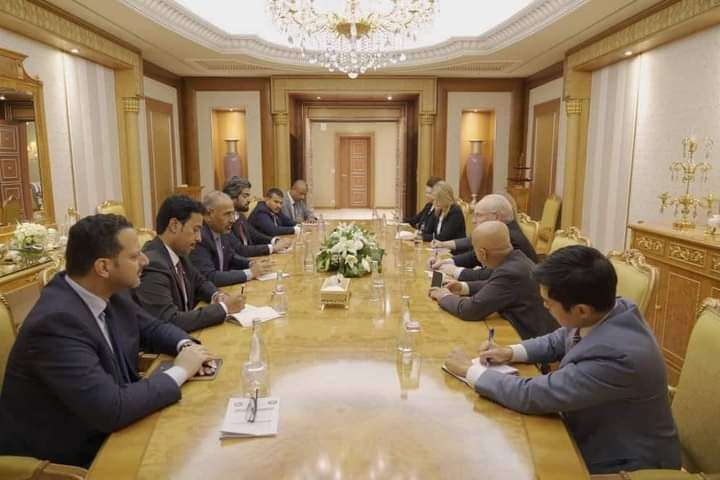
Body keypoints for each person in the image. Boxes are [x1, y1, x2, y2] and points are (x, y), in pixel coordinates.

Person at [0, 214, 218, 467]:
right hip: (72, 457)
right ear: (103, 267)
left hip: (112, 426)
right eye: (134, 256)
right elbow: (111, 409)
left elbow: (153, 328)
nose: (145, 260)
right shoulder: (55, 323)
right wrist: (181, 370)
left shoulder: (108, 292)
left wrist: (187, 347)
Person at [444, 245, 681, 475]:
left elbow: (532, 395)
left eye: (548, 303)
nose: (544, 306)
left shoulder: (617, 357)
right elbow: (559, 339)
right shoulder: (612, 308)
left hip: (622, 462)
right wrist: (510, 352)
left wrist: (470, 371)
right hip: (591, 426)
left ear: (581, 310)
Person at [133, 195, 245, 332]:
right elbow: (170, 320)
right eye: (195, 230)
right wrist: (224, 308)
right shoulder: (153, 264)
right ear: (174, 225)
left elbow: (200, 282)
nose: (199, 238)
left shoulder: (179, 254)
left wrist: (217, 296)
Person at [429, 221, 557, 339]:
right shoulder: (516, 258)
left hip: (527, 338)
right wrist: (462, 287)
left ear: (482, 253)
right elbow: (496, 285)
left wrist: (444, 296)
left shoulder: (509, 272)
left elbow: (470, 310)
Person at [431, 194, 537, 281]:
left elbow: (492, 275)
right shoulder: (502, 231)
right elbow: (475, 256)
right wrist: (449, 261)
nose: (473, 221)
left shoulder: (509, 237)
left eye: (479, 215)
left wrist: (455, 271)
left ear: (496, 217)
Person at [190, 191, 272, 287]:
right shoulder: (199, 237)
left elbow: (231, 257)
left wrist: (251, 263)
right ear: (208, 215)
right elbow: (209, 277)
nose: (232, 220)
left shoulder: (222, 231)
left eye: (233, 214)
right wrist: (250, 273)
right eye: (227, 214)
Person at [223, 177, 291, 256]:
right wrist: (272, 248)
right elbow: (240, 250)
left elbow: (254, 235)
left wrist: (275, 241)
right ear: (232, 197)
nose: (249, 200)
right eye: (245, 196)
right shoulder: (225, 221)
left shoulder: (240, 216)